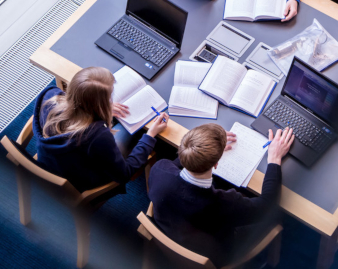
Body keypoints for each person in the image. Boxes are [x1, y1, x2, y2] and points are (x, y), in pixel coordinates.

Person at [147, 123, 294, 266]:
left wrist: (201, 150)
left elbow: (177, 164)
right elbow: (267, 205)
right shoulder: (225, 203)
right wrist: (274, 158)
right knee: (276, 217)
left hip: (170, 231)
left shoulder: (159, 169)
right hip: (216, 254)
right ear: (216, 164)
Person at [33, 66, 168, 193]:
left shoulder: (50, 95)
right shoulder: (96, 136)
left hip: (51, 160)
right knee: (135, 132)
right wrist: (150, 135)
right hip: (80, 178)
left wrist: (100, 108)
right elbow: (124, 174)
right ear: (99, 103)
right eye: (109, 97)